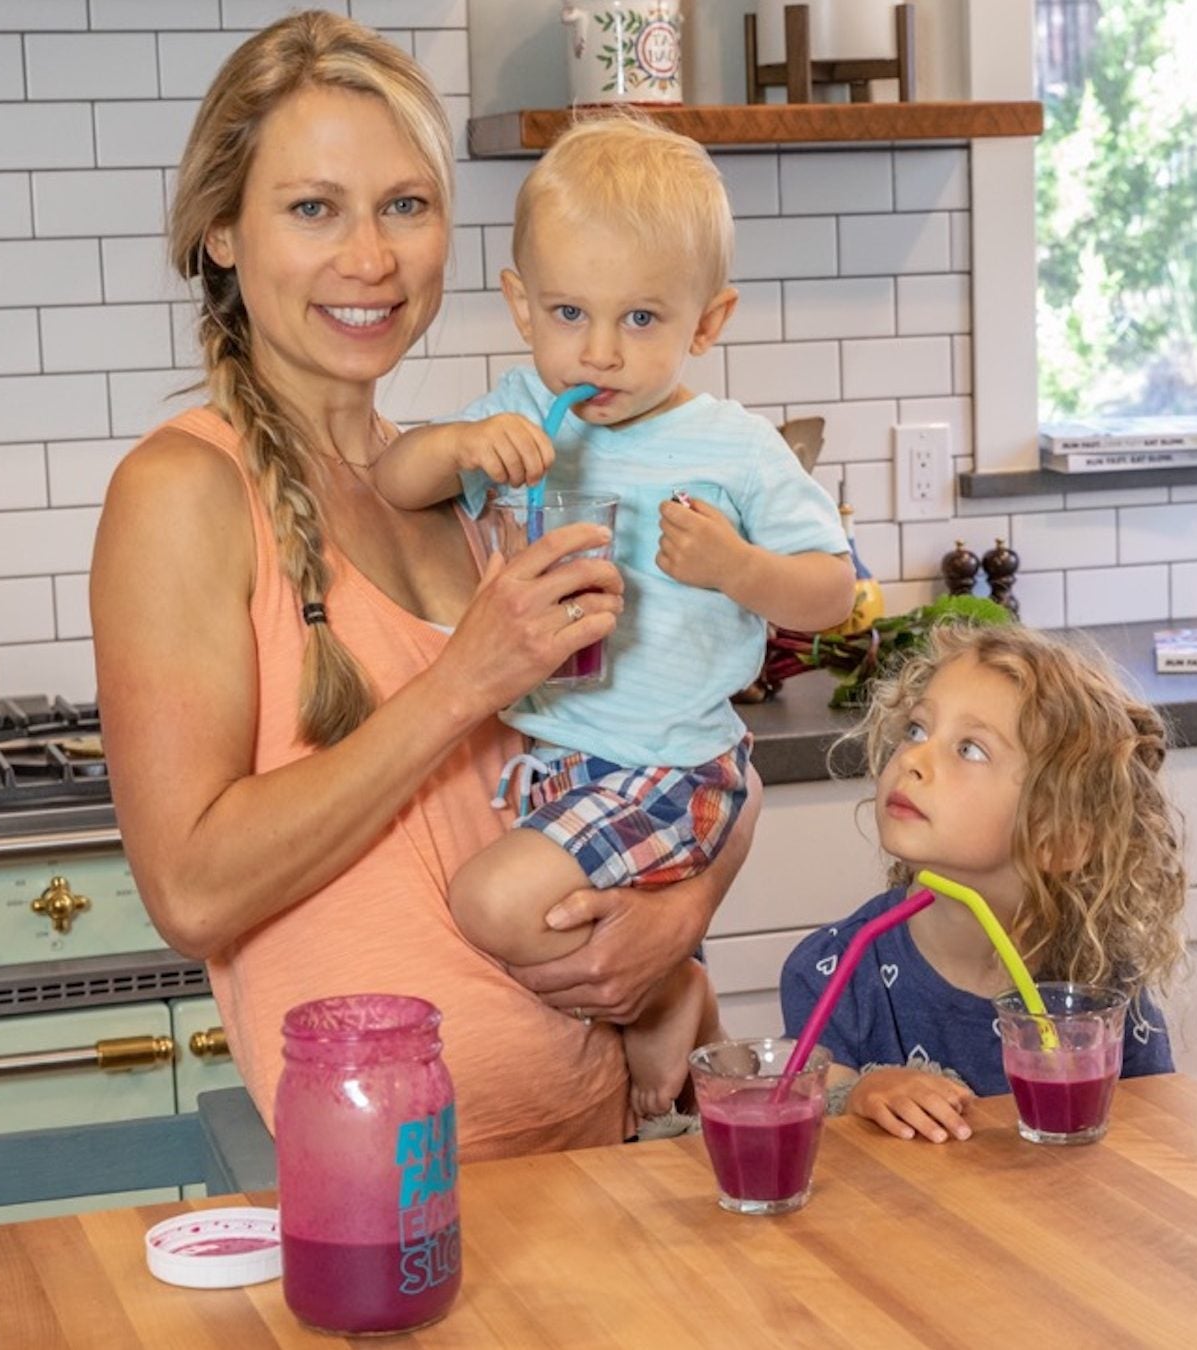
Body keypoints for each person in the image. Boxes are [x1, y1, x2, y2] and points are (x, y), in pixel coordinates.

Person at [91, 13, 755, 1160]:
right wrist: (464, 680)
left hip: (606, 1142)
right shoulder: (182, 491)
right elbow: (192, 891)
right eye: (314, 209)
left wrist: (678, 930)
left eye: (406, 205)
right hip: (398, 1182)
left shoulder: (469, 483)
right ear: (220, 233)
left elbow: (675, 751)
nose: (371, 258)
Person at [372, 117, 855, 1116]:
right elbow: (392, 479)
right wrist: (462, 443)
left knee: (490, 902)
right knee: (505, 913)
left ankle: (662, 994)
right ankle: (666, 998)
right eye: (568, 313)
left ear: (706, 323)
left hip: (670, 765)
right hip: (551, 756)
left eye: (641, 319)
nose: (599, 351)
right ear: (519, 305)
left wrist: (739, 566)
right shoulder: (517, 410)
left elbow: (833, 592)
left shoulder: (737, 449)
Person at [779, 624, 1183, 1143]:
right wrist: (859, 1092)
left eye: (969, 749)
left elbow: (1156, 1137)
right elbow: (808, 1107)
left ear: (1059, 838)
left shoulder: (1101, 996)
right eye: (917, 730)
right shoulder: (834, 972)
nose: (913, 760)